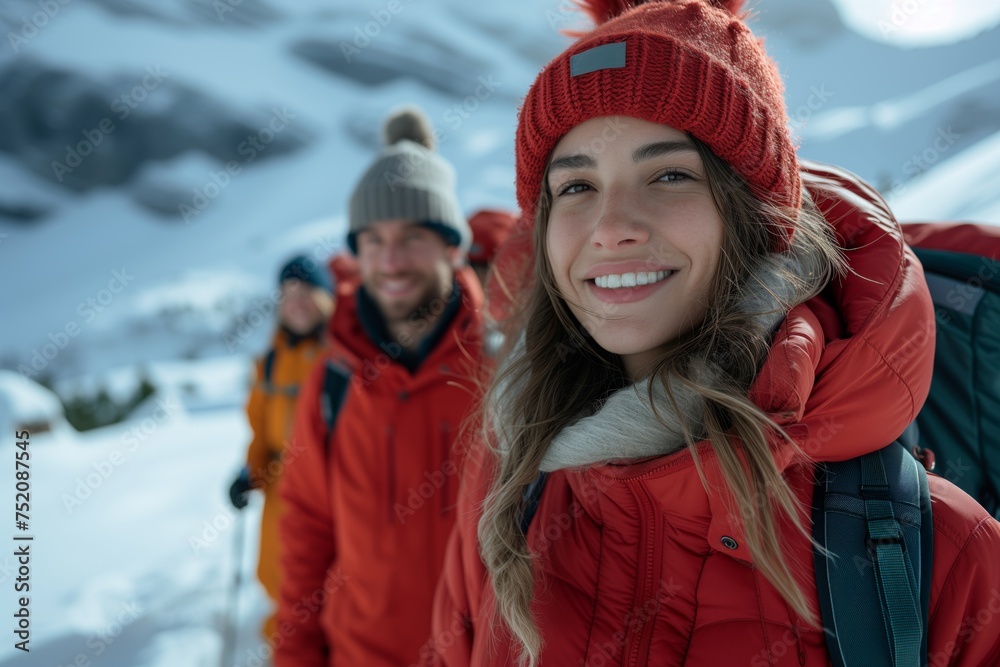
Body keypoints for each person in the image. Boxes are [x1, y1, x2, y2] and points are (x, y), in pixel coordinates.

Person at [430, 1, 1000, 666]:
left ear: (756, 216)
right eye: (576, 185)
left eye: (669, 174)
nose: (611, 225)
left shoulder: (942, 552)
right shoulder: (512, 493)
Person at [275, 106, 485, 666]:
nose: (391, 261)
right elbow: (306, 527)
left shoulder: (507, 366)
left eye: (412, 236)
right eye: (373, 240)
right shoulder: (334, 380)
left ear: (450, 245)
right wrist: (295, 654)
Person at [228, 255, 335, 639]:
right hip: (280, 491)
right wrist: (248, 475)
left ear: (326, 298)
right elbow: (260, 432)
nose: (297, 302)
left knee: (331, 589)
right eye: (288, 294)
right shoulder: (270, 362)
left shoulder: (340, 356)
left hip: (330, 491)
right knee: (281, 583)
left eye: (307, 292)